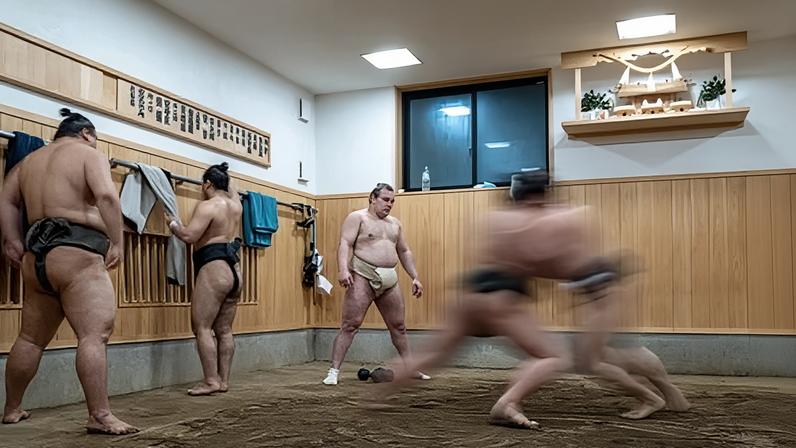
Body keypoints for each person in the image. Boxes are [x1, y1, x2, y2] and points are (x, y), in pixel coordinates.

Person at [374, 170, 666, 428]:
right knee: (556, 356)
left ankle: (377, 398)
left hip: (469, 294)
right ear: (540, 197)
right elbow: (547, 263)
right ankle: (508, 403)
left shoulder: (496, 219)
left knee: (434, 353)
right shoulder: (556, 219)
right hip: (502, 298)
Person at [0, 108, 137, 434]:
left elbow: (6, 202)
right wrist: (117, 242)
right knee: (94, 335)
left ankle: (12, 409)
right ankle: (100, 415)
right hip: (78, 253)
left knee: (30, 339)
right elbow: (105, 195)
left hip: (37, 257)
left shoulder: (28, 163)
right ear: (87, 133)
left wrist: (11, 240)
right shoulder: (89, 155)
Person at [322, 183, 429, 385]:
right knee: (350, 325)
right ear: (373, 198)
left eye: (392, 201)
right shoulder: (358, 218)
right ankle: (333, 372)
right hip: (362, 274)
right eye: (385, 199)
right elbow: (345, 243)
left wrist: (415, 276)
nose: (389, 204)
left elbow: (404, 251)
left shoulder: (395, 224)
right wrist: (343, 269)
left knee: (399, 327)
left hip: (390, 277)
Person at [167, 162, 243, 396]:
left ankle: (211, 381)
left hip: (214, 267)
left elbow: (190, 236)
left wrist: (173, 223)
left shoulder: (208, 206)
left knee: (201, 326)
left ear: (207, 184)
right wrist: (224, 175)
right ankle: (224, 380)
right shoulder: (236, 206)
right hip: (236, 270)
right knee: (225, 329)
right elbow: (233, 188)